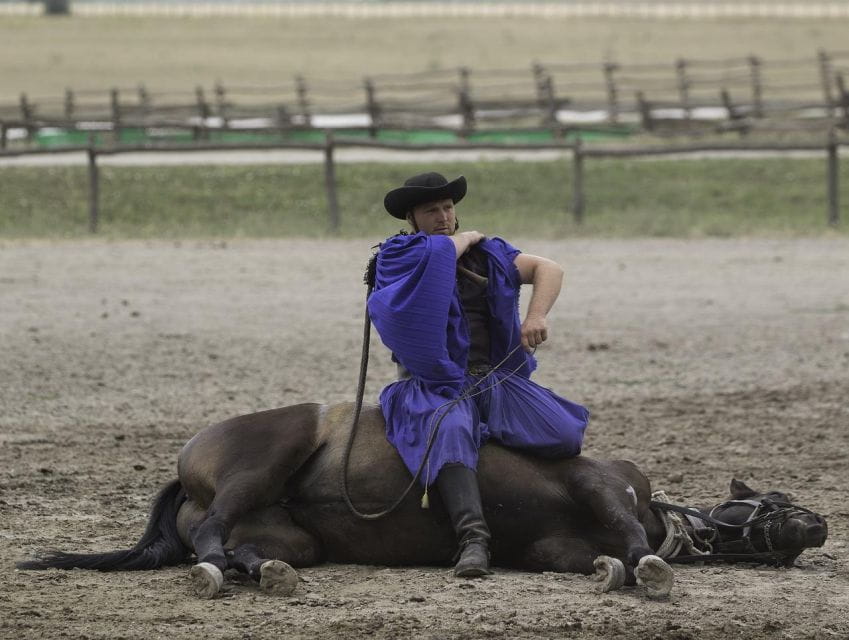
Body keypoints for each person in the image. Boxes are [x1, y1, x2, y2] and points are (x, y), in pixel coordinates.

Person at [367, 172, 589, 577]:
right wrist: (466, 237)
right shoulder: (398, 254)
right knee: (450, 432)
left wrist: (535, 315)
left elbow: (549, 268)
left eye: (448, 208)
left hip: (494, 378)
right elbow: (434, 258)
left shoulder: (488, 254)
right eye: (431, 210)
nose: (443, 216)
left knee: (563, 432)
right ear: (412, 218)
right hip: (435, 384)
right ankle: (473, 539)